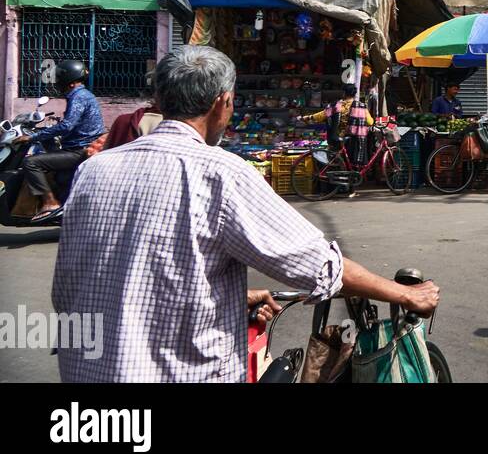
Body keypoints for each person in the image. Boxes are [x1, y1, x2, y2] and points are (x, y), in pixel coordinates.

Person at [52, 45, 439, 382]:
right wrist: (405, 294)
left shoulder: (94, 169)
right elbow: (319, 267)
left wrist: (233, 299)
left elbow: (85, 281)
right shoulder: (221, 172)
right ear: (223, 102)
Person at [16, 59, 105, 222]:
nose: (57, 83)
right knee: (49, 149)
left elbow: (67, 125)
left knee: (31, 163)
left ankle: (50, 202)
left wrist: (33, 136)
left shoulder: (78, 96)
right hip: (79, 146)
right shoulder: (83, 95)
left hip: (79, 150)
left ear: (68, 81)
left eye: (59, 80)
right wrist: (46, 132)